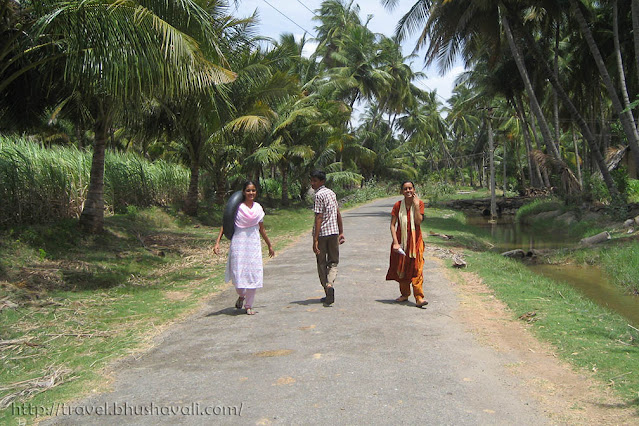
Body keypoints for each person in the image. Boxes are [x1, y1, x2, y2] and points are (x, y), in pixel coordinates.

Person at [214, 181, 275, 315]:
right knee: (238, 273)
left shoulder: (258, 208)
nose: (251, 193)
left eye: (253, 190)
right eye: (248, 190)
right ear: (243, 192)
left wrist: (269, 245)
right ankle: (241, 295)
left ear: (256, 192)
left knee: (253, 273)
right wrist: (217, 242)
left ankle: (249, 305)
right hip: (239, 242)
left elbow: (262, 229)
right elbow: (225, 224)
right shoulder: (238, 208)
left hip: (253, 243)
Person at [386, 180, 428, 308]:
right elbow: (393, 225)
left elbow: (418, 222)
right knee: (402, 268)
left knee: (417, 268)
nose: (408, 191)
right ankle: (404, 294)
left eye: (410, 188)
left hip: (416, 242)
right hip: (402, 242)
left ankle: (419, 297)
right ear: (401, 191)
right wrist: (396, 243)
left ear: (414, 190)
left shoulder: (419, 204)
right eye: (405, 189)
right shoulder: (398, 205)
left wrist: (416, 206)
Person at [310, 170, 345, 305]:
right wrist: (341, 231)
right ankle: (330, 284)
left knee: (321, 263)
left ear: (322, 181)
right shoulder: (331, 193)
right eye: (312, 181)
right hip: (334, 232)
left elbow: (319, 217)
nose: (313, 183)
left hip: (323, 233)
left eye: (315, 181)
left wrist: (315, 239)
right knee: (333, 262)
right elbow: (337, 213)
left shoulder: (318, 195)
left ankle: (327, 288)